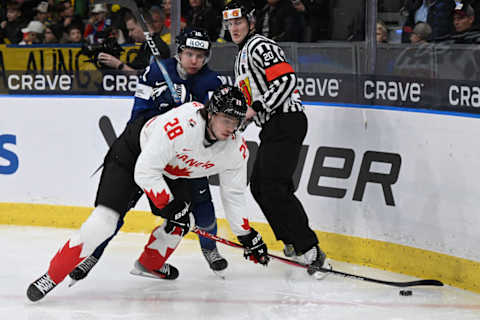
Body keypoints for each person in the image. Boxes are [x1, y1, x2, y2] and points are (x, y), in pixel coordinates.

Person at [27, 84, 269, 302]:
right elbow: (145, 171)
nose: (232, 128)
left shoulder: (235, 149)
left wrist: (246, 235)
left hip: (172, 170)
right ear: (211, 113)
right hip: (133, 155)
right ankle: (51, 276)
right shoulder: (181, 126)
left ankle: (150, 264)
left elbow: (234, 194)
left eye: (237, 121)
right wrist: (170, 205)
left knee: (184, 221)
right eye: (226, 119)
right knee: (104, 222)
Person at [68, 28, 231, 285]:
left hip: (186, 158)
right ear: (179, 52)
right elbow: (138, 116)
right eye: (189, 54)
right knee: (116, 212)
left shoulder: (214, 83)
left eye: (200, 56)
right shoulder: (154, 73)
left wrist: (189, 106)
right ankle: (91, 255)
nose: (194, 61)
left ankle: (208, 249)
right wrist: (166, 106)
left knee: (201, 209)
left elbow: (219, 119)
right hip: (148, 154)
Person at [222, 0, 326, 276]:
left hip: (287, 120)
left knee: (274, 186)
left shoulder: (260, 46)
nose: (234, 28)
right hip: (273, 126)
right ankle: (292, 242)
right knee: (259, 186)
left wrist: (256, 108)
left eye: (238, 22)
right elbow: (248, 103)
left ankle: (311, 249)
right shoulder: (241, 56)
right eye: (230, 24)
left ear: (251, 22)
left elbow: (286, 81)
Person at [97, 11, 170, 73]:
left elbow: (146, 79)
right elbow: (134, 68)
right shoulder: (145, 46)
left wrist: (118, 65)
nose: (129, 34)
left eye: (132, 30)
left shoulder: (158, 48)